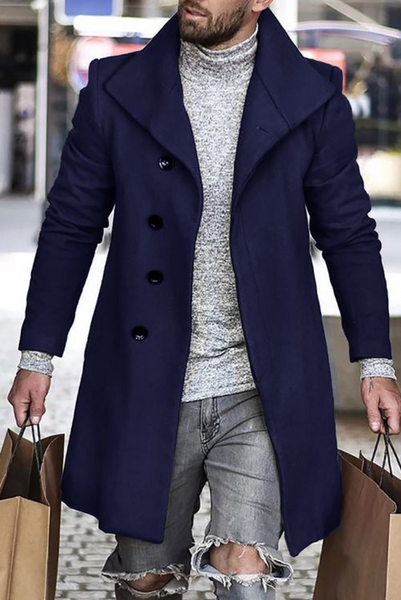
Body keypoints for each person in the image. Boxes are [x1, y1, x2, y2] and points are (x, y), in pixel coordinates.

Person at [7, 0, 401, 598]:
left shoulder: (313, 96)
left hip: (260, 387)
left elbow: (348, 233)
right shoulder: (115, 89)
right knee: (147, 577)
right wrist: (38, 355)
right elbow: (70, 225)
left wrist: (374, 361)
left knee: (245, 573)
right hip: (148, 381)